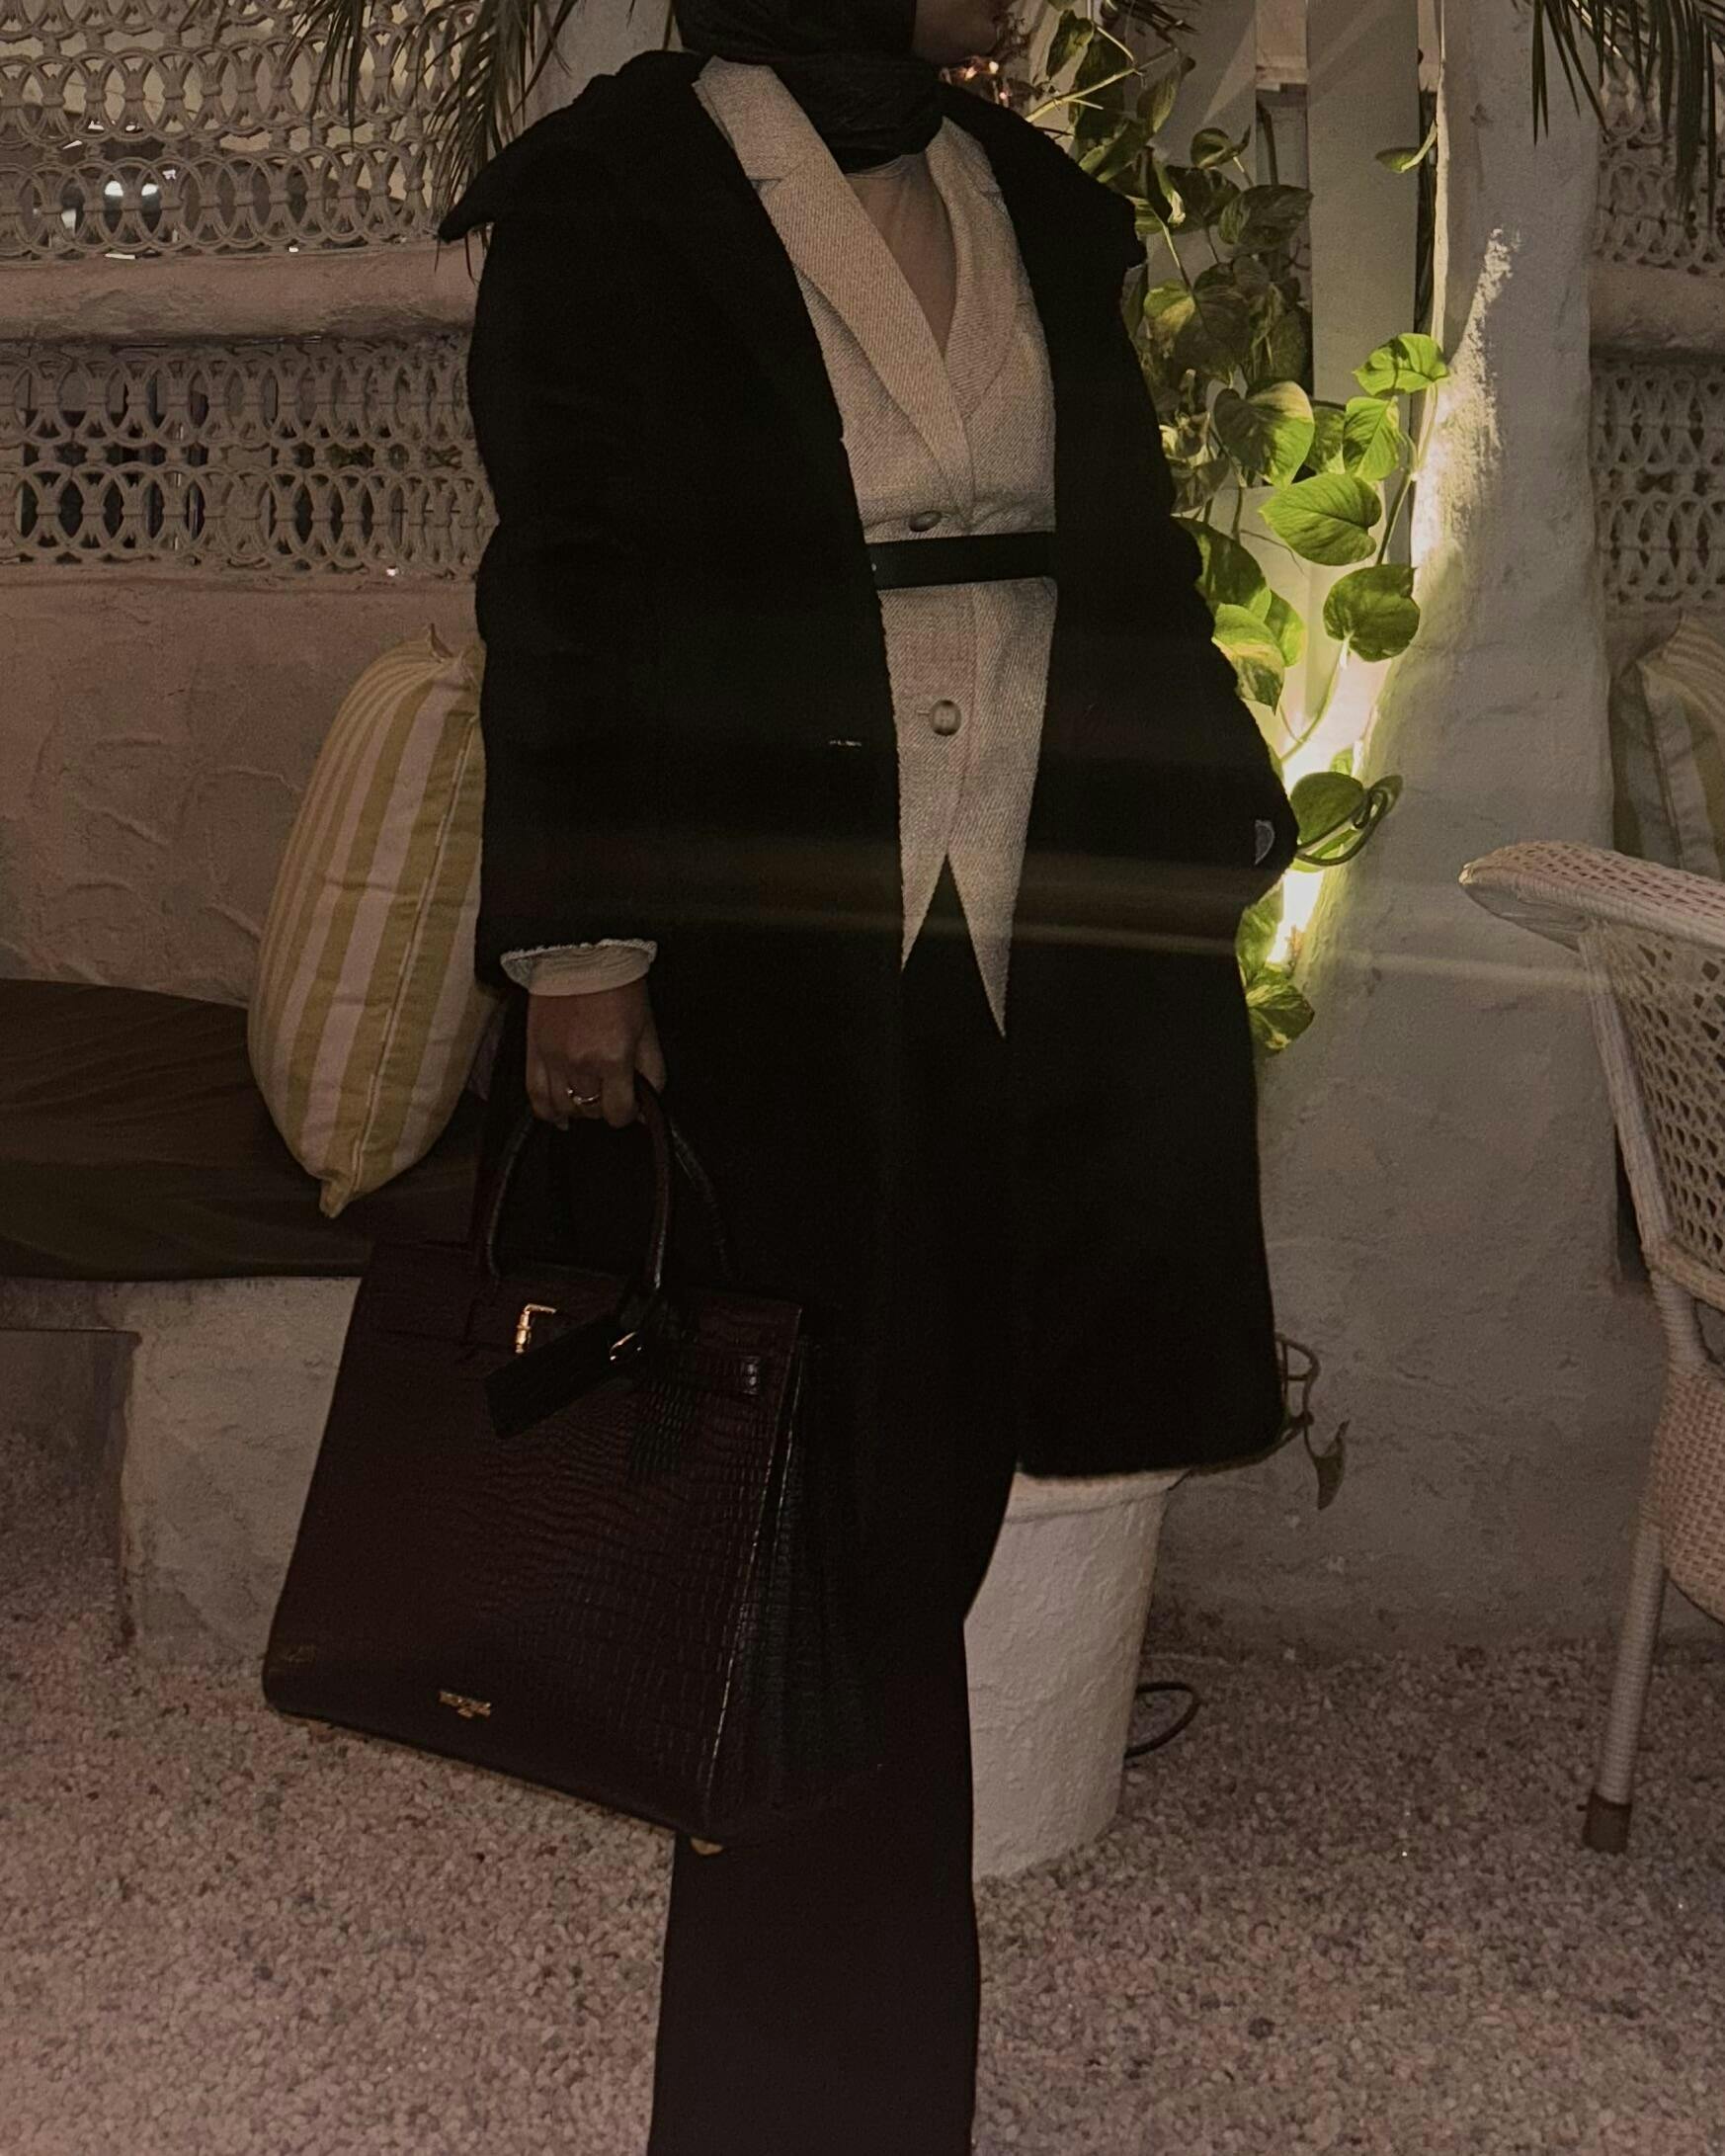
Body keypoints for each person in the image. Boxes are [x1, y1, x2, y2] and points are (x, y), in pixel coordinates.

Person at [437, 3, 1299, 2149]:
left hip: (1031, 962)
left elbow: (1130, 555)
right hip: (768, 970)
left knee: (925, 1510)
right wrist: (579, 947)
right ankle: (809, 2093)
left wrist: (1217, 809)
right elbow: (565, 592)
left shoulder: (1033, 202)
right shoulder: (615, 197)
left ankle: (854, 2078)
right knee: (805, 1539)